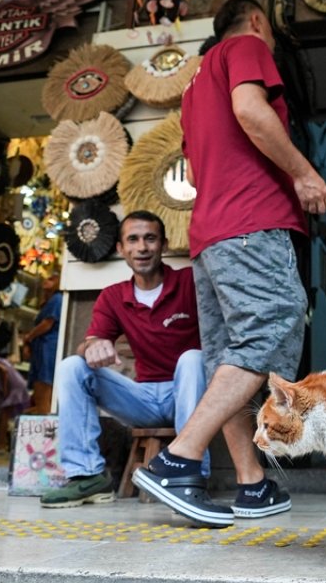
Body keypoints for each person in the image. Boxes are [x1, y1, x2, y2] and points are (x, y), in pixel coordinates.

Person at [132, 0, 326, 528]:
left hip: (211, 236)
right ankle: (179, 458)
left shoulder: (195, 86)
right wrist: (303, 173)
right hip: (251, 223)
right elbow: (250, 110)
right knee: (273, 322)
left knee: (232, 356)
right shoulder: (244, 45)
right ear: (259, 20)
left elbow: (196, 173)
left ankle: (253, 484)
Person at [38, 211, 208, 508]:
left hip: (190, 392)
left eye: (150, 238)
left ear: (164, 245)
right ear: (121, 249)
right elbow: (89, 342)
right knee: (72, 366)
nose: (142, 247)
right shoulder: (113, 296)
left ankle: (191, 471)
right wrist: (93, 345)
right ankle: (86, 476)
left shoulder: (189, 282)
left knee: (193, 359)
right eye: (133, 239)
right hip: (142, 399)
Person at [21, 274, 61, 413]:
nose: (46, 280)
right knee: (41, 394)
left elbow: (47, 324)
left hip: (48, 347)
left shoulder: (57, 299)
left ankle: (44, 427)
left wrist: (29, 337)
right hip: (42, 348)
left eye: (51, 279)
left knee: (43, 391)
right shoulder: (49, 302)